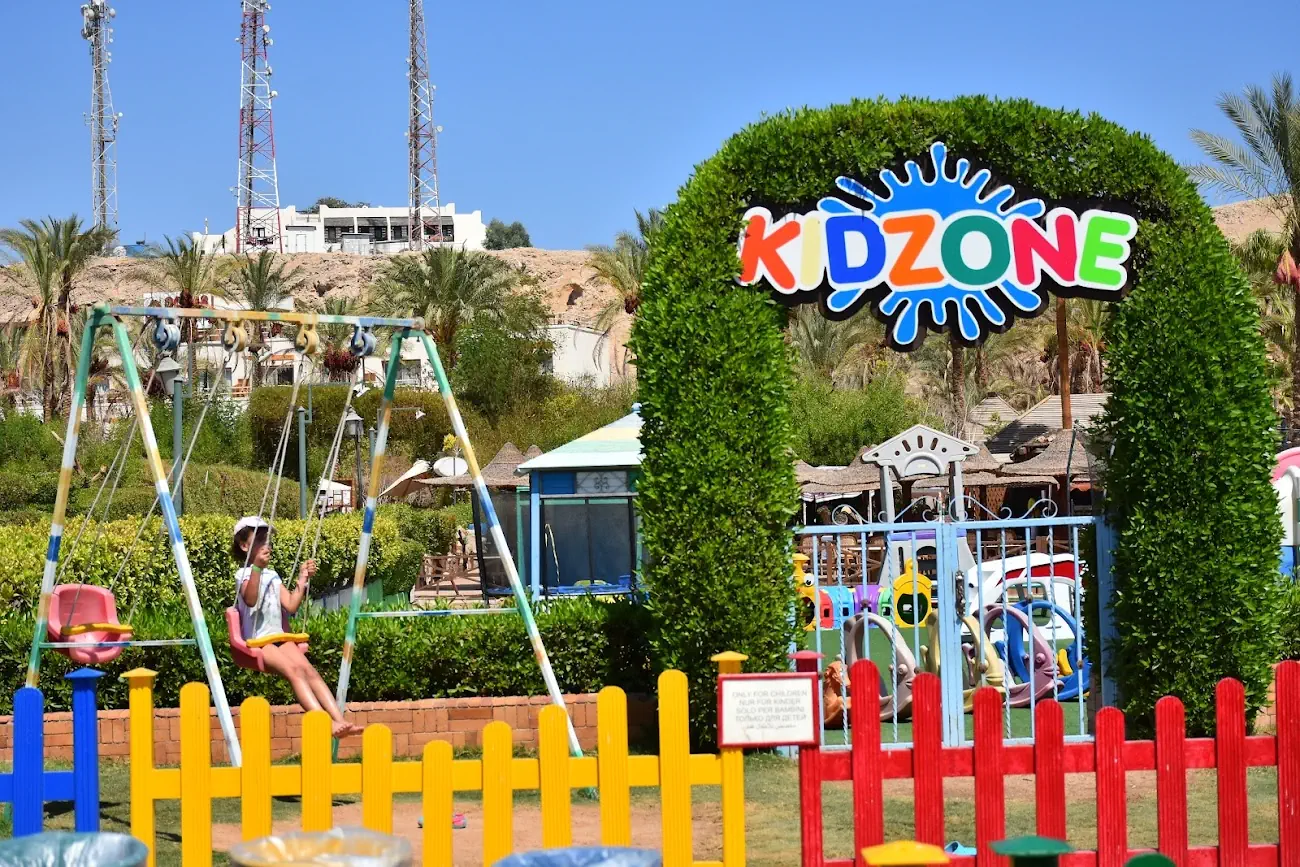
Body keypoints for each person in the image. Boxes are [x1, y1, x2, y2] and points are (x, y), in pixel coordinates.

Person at [232, 516, 359, 739]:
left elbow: (290, 605)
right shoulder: (243, 574)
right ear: (244, 546)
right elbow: (250, 600)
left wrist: (302, 580)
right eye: (259, 540)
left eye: (267, 540)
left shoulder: (272, 575)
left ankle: (339, 720)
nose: (265, 545)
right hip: (258, 641)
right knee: (293, 672)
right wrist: (257, 569)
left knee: (309, 671)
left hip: (279, 636)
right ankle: (324, 722)